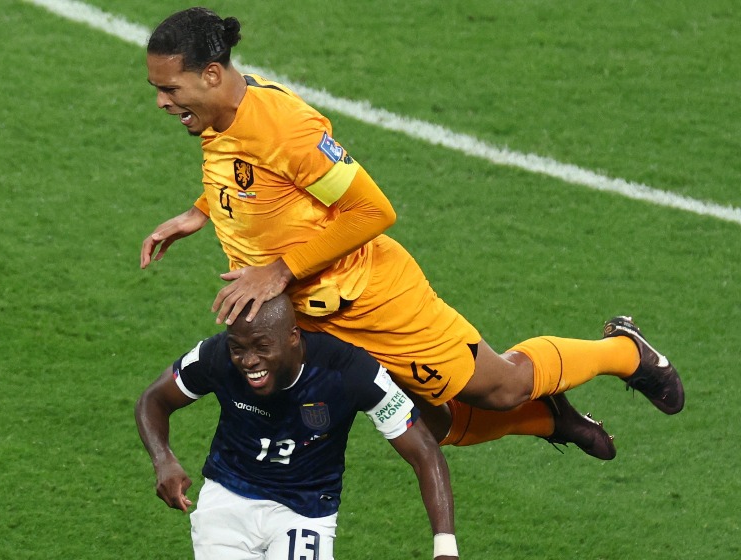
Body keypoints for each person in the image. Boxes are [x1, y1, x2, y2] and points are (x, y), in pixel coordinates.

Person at [139, 7, 682, 458]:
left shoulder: (286, 128)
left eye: (169, 88)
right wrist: (202, 211)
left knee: (501, 387)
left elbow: (371, 211)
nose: (161, 101)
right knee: (429, 425)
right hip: (310, 313)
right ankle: (549, 419)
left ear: (212, 74)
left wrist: (277, 272)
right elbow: (253, 177)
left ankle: (624, 351)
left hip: (371, 301)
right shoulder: (218, 115)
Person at [135, 295, 459, 559]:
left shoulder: (349, 371)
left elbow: (423, 452)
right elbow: (153, 399)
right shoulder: (216, 355)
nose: (248, 361)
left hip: (305, 511)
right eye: (238, 348)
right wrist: (163, 460)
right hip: (226, 500)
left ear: (293, 337)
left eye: (262, 346)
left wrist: (445, 548)